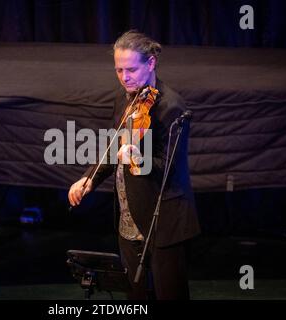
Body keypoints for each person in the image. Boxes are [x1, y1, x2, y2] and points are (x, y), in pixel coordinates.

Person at [68, 30, 200, 300]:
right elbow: (115, 146)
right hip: (129, 221)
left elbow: (168, 169)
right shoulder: (124, 98)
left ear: (151, 63)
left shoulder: (171, 107)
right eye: (118, 70)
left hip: (163, 221)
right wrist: (90, 177)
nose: (124, 77)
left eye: (130, 69)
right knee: (136, 299)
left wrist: (138, 158)